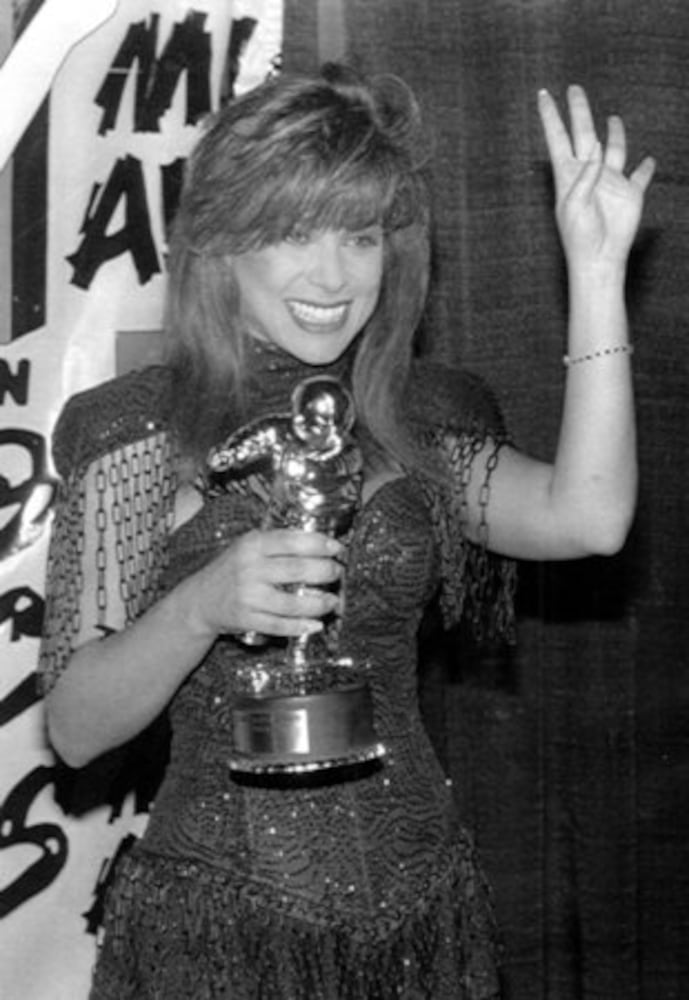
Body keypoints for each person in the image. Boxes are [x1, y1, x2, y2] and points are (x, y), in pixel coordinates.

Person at [39, 63, 654, 999]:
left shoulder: (420, 420)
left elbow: (590, 519)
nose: (332, 276)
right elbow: (77, 729)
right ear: (219, 244)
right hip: (217, 939)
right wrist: (198, 608)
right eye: (293, 233)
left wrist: (598, 272)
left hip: (421, 920)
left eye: (360, 236)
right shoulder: (134, 433)